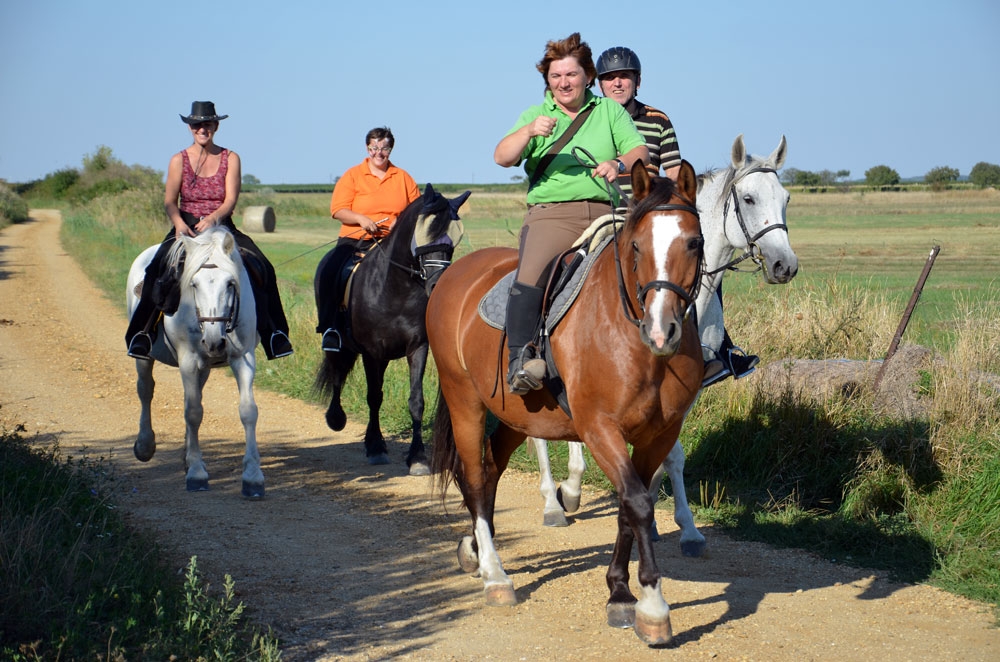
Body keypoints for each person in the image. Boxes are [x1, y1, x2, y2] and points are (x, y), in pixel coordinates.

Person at [494, 33, 649, 395]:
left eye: (571, 75)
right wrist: (530, 131)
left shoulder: (608, 110)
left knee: (655, 262)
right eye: (555, 77)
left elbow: (640, 150)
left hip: (607, 210)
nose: (564, 83)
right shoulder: (536, 115)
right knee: (531, 273)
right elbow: (502, 157)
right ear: (547, 81)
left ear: (587, 77)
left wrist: (618, 162)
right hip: (553, 215)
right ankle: (520, 359)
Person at [596, 46, 759, 385]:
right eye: (609, 78)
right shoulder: (592, 121)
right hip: (604, 211)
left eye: (624, 76)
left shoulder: (658, 120)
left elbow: (674, 174)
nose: (617, 83)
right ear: (600, 84)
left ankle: (717, 350)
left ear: (637, 82)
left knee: (698, 259)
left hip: (652, 216)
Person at [125, 101, 293, 361]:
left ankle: (275, 335)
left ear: (216, 126)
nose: (202, 129)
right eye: (197, 125)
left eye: (207, 124)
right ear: (190, 128)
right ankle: (142, 334)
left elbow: (230, 201)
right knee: (156, 267)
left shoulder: (231, 158)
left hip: (222, 225)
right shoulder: (178, 160)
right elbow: (170, 201)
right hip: (186, 224)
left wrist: (213, 219)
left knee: (263, 266)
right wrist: (180, 224)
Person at [315, 126, 419, 352]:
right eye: (374, 148)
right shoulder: (352, 175)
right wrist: (361, 219)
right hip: (356, 240)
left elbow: (415, 212)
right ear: (367, 148)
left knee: (424, 272)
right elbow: (338, 209)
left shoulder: (403, 177)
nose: (379, 153)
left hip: (393, 243)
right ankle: (330, 328)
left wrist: (399, 223)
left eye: (384, 148)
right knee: (331, 270)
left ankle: (421, 325)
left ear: (391, 149)